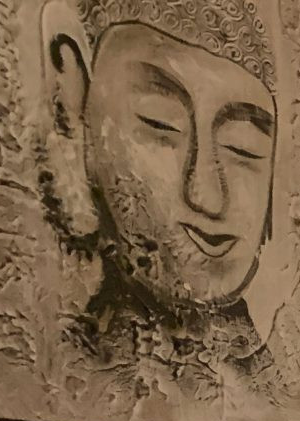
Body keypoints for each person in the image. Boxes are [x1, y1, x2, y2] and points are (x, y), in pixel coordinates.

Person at [38, 0, 278, 395]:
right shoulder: (66, 361)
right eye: (160, 123)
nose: (206, 196)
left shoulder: (272, 389)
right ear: (73, 105)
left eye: (243, 148)